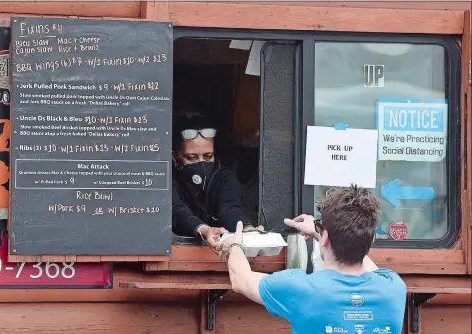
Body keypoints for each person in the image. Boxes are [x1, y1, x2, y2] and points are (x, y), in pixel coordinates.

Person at [218, 185, 407, 334]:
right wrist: (323, 234)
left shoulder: (300, 287)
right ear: (371, 239)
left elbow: (241, 280)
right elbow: (359, 251)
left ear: (325, 238)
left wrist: (234, 244)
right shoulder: (394, 288)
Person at [172, 111, 262, 250]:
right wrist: (203, 229)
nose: (202, 163)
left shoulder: (224, 177)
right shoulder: (166, 177)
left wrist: (245, 227)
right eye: (192, 158)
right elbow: (175, 208)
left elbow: (230, 208)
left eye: (208, 156)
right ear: (174, 157)